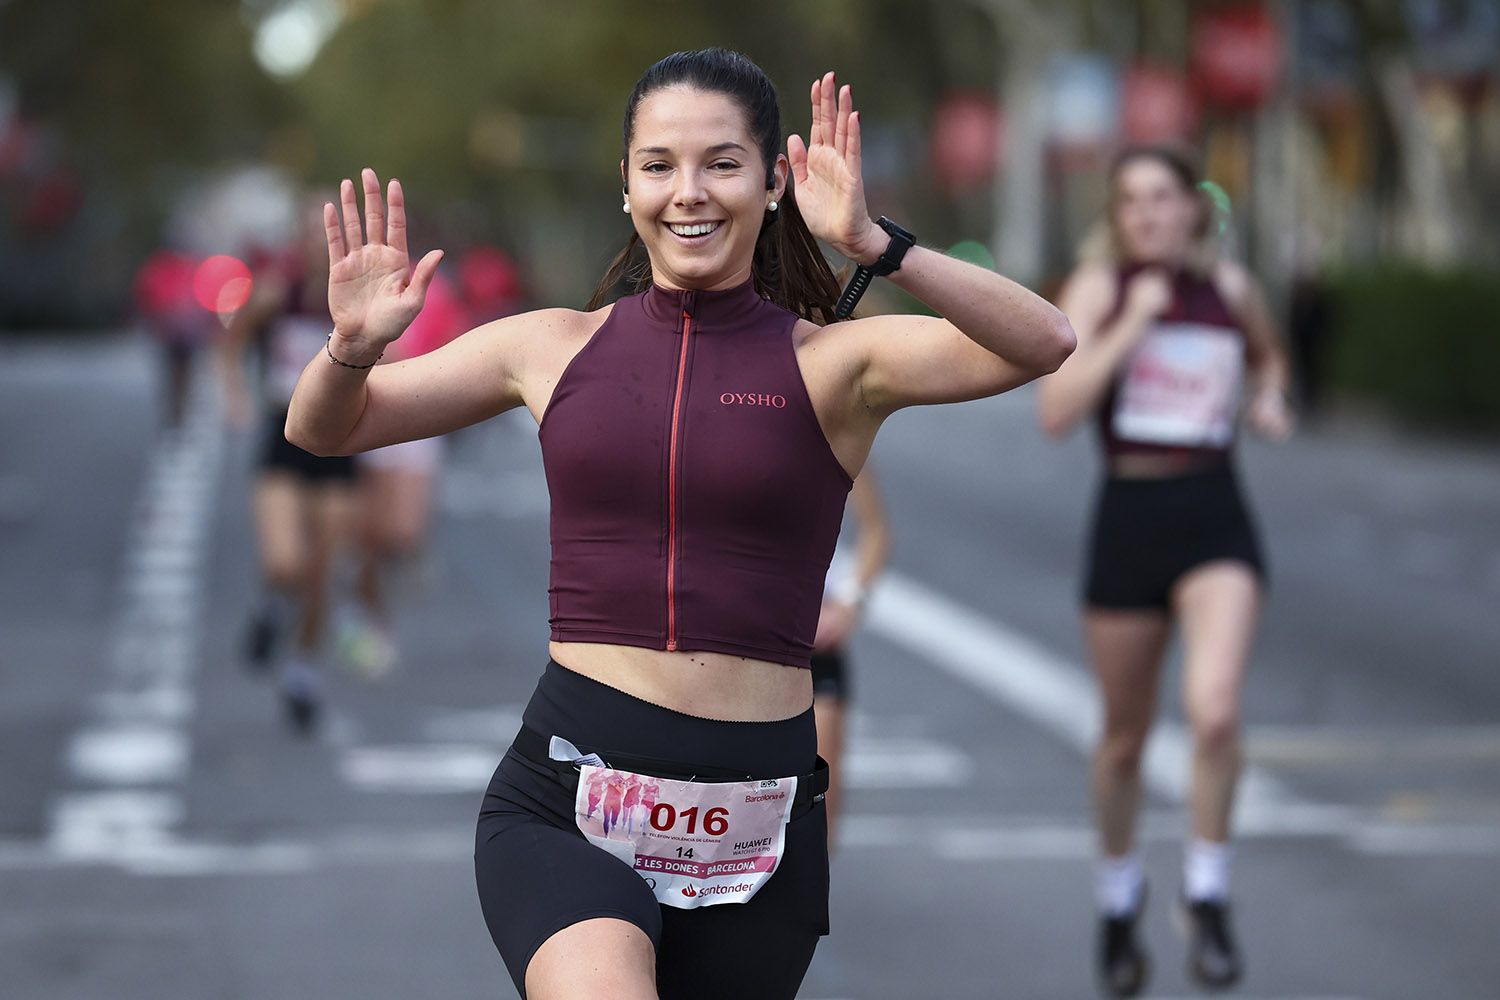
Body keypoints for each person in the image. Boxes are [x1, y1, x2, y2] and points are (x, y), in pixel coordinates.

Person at [286, 48, 1073, 1000]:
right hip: (569, 800)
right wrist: (349, 350)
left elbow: (1044, 342)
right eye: (658, 165)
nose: (687, 193)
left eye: (722, 164)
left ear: (774, 182)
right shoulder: (547, 347)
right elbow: (328, 427)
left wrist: (875, 243)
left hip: (759, 824)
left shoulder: (836, 365)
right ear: (625, 186)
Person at [1037, 145, 1294, 997]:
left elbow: (1269, 356)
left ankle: (1209, 892)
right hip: (1130, 518)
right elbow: (1057, 412)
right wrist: (1131, 322)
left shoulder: (1231, 289)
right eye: (1130, 202)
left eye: (1162, 198)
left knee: (1215, 712)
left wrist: (1269, 396)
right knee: (1124, 740)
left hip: (1216, 512)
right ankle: (1118, 899)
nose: (1147, 214)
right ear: (1116, 216)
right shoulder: (1100, 290)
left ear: (1194, 207)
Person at [221, 206, 358, 734]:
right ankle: (271, 606)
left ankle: (302, 673)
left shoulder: (353, 299)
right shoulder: (278, 292)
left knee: (324, 570)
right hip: (283, 436)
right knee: (285, 563)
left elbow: (389, 358)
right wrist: (235, 392)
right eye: (314, 235)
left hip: (340, 444)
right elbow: (231, 340)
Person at [811, 467, 891, 848]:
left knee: (822, 808)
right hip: (740, 647)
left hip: (813, 647)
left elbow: (876, 530)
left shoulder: (828, 419)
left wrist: (849, 603)